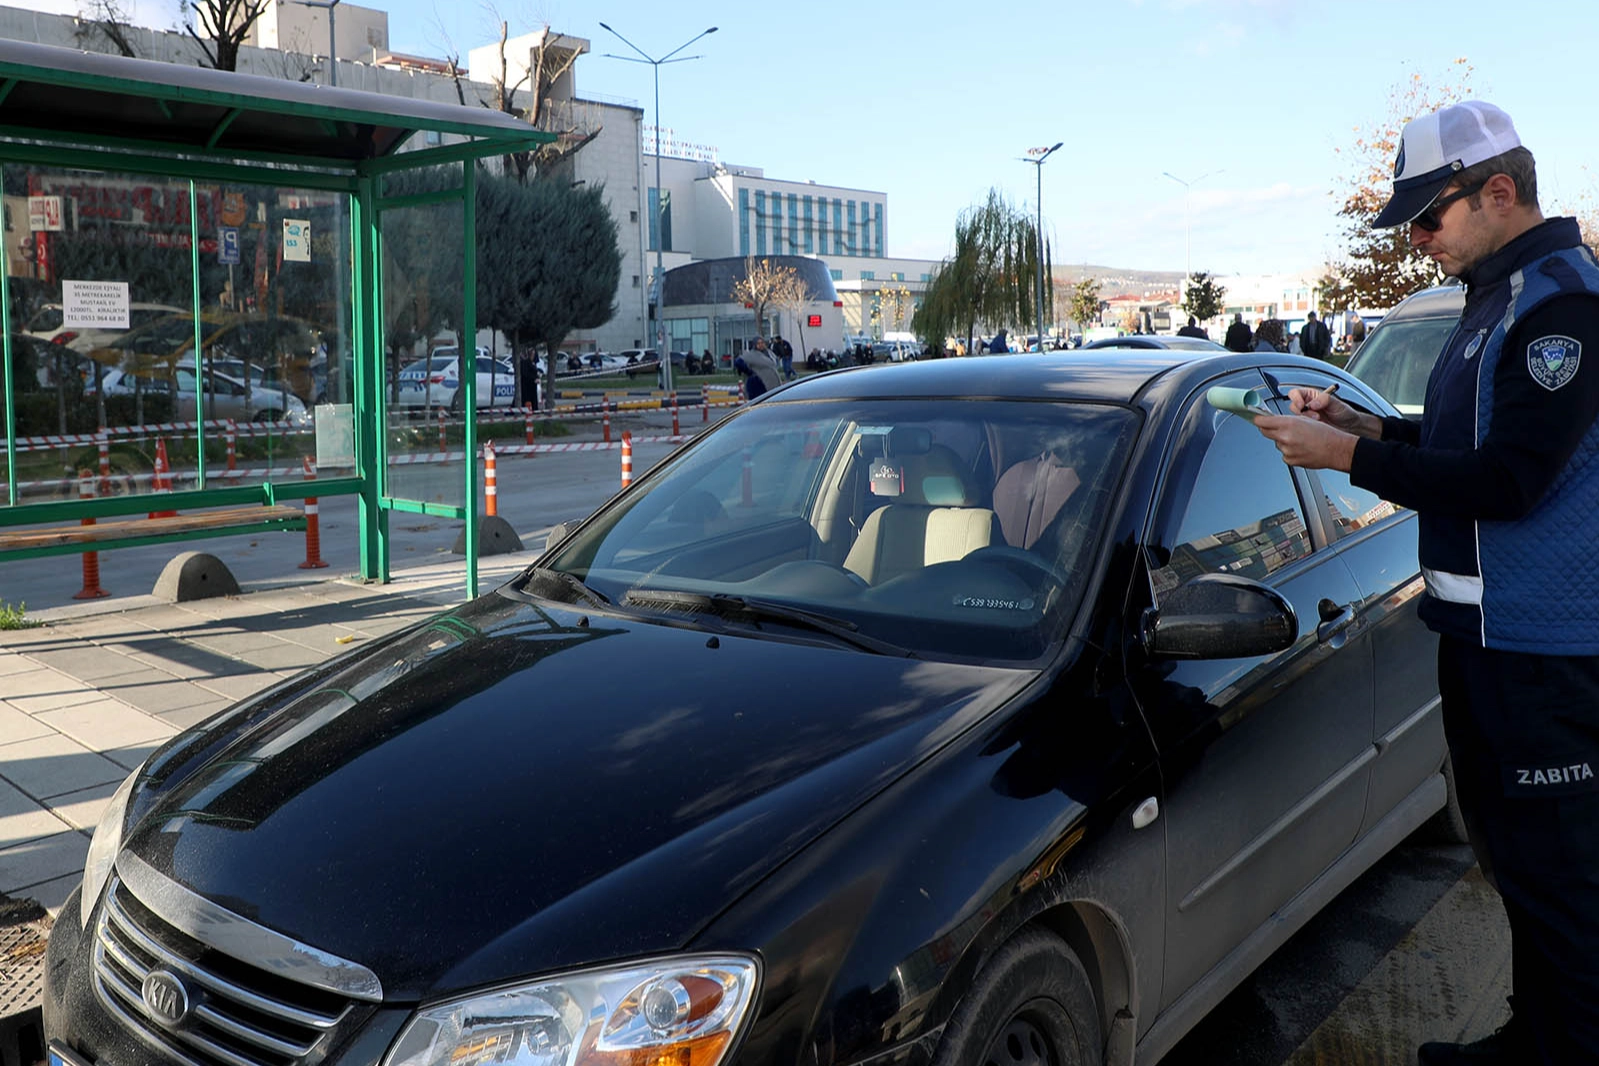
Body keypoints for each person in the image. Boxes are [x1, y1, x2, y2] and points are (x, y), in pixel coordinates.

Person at [1251, 101, 1599, 1066]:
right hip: (1487, 643)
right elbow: (1460, 448)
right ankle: (1535, 1038)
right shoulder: (1495, 296)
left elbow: (1508, 480)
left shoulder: (1560, 304)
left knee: (1563, 891)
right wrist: (1368, 431)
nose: (1415, 239)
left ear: (1498, 192)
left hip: (1543, 656)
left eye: (1428, 216)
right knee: (1521, 876)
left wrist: (1342, 458)